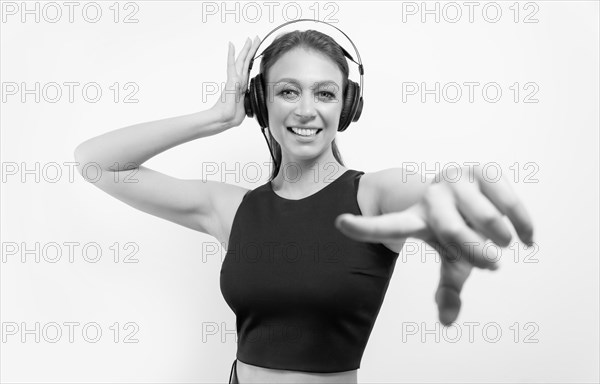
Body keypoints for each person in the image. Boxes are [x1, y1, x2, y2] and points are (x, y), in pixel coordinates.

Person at [74, 24, 534, 384]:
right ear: (262, 102)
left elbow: (424, 188)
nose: (305, 109)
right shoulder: (233, 210)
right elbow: (96, 163)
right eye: (288, 91)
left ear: (347, 107)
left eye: (325, 93)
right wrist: (215, 117)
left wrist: (451, 189)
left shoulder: (371, 196)